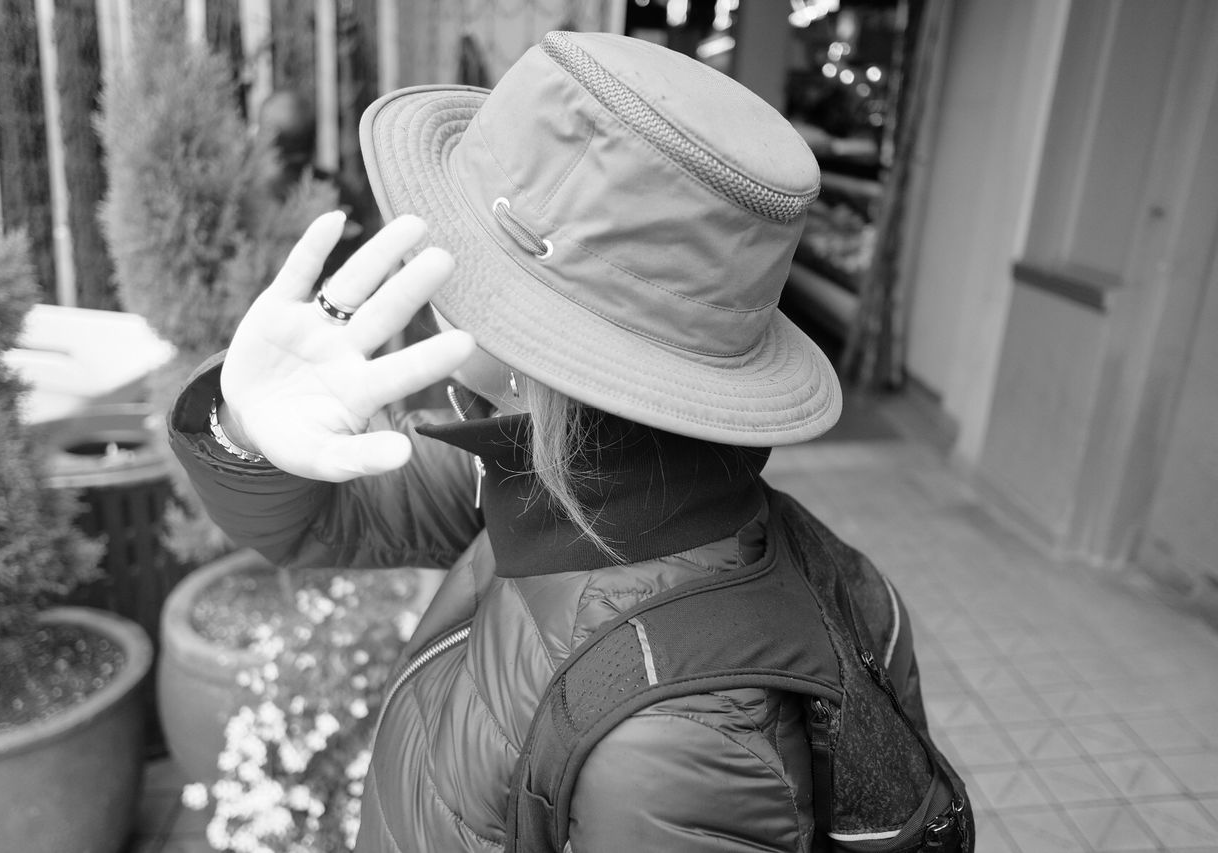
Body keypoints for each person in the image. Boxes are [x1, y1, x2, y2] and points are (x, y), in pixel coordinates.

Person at [170, 31, 922, 852]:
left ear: (547, 365)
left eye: (471, 262)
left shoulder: (672, 745)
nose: (436, 272)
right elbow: (319, 519)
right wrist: (248, 427)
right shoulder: (570, 481)